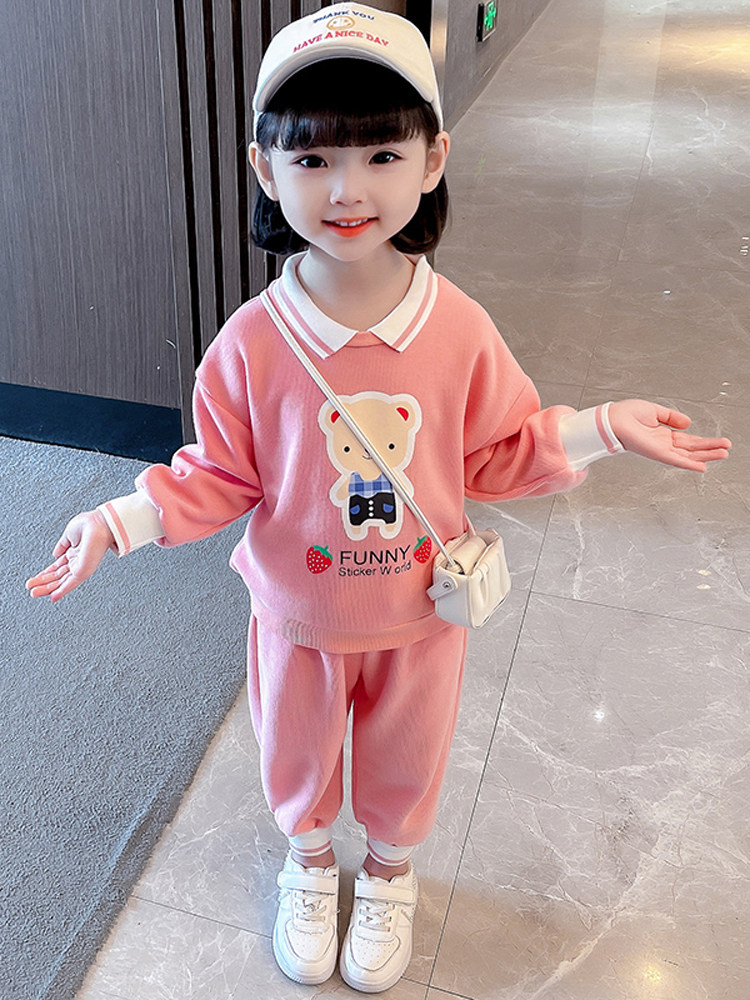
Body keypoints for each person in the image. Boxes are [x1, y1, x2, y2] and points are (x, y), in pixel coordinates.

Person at [26, 4, 731, 993]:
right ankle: (311, 864)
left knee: (409, 756)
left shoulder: (460, 329)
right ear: (265, 169)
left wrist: (603, 426)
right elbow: (221, 472)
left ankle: (391, 874)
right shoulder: (251, 344)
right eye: (313, 159)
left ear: (433, 158)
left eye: (382, 154)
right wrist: (119, 520)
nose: (348, 189)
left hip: (420, 614)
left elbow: (497, 453)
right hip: (297, 613)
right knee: (296, 754)